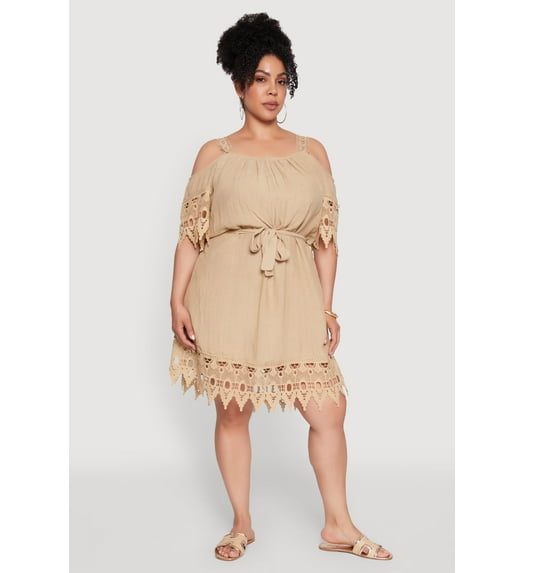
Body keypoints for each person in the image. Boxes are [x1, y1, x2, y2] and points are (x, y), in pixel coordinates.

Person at [169, 12, 392, 562]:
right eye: (261, 79)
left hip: (293, 293)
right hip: (225, 294)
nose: (273, 90)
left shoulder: (312, 152)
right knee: (233, 411)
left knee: (328, 410)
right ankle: (241, 524)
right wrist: (176, 299)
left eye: (282, 80)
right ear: (238, 85)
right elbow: (192, 235)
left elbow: (326, 241)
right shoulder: (214, 154)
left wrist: (327, 309)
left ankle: (338, 525)